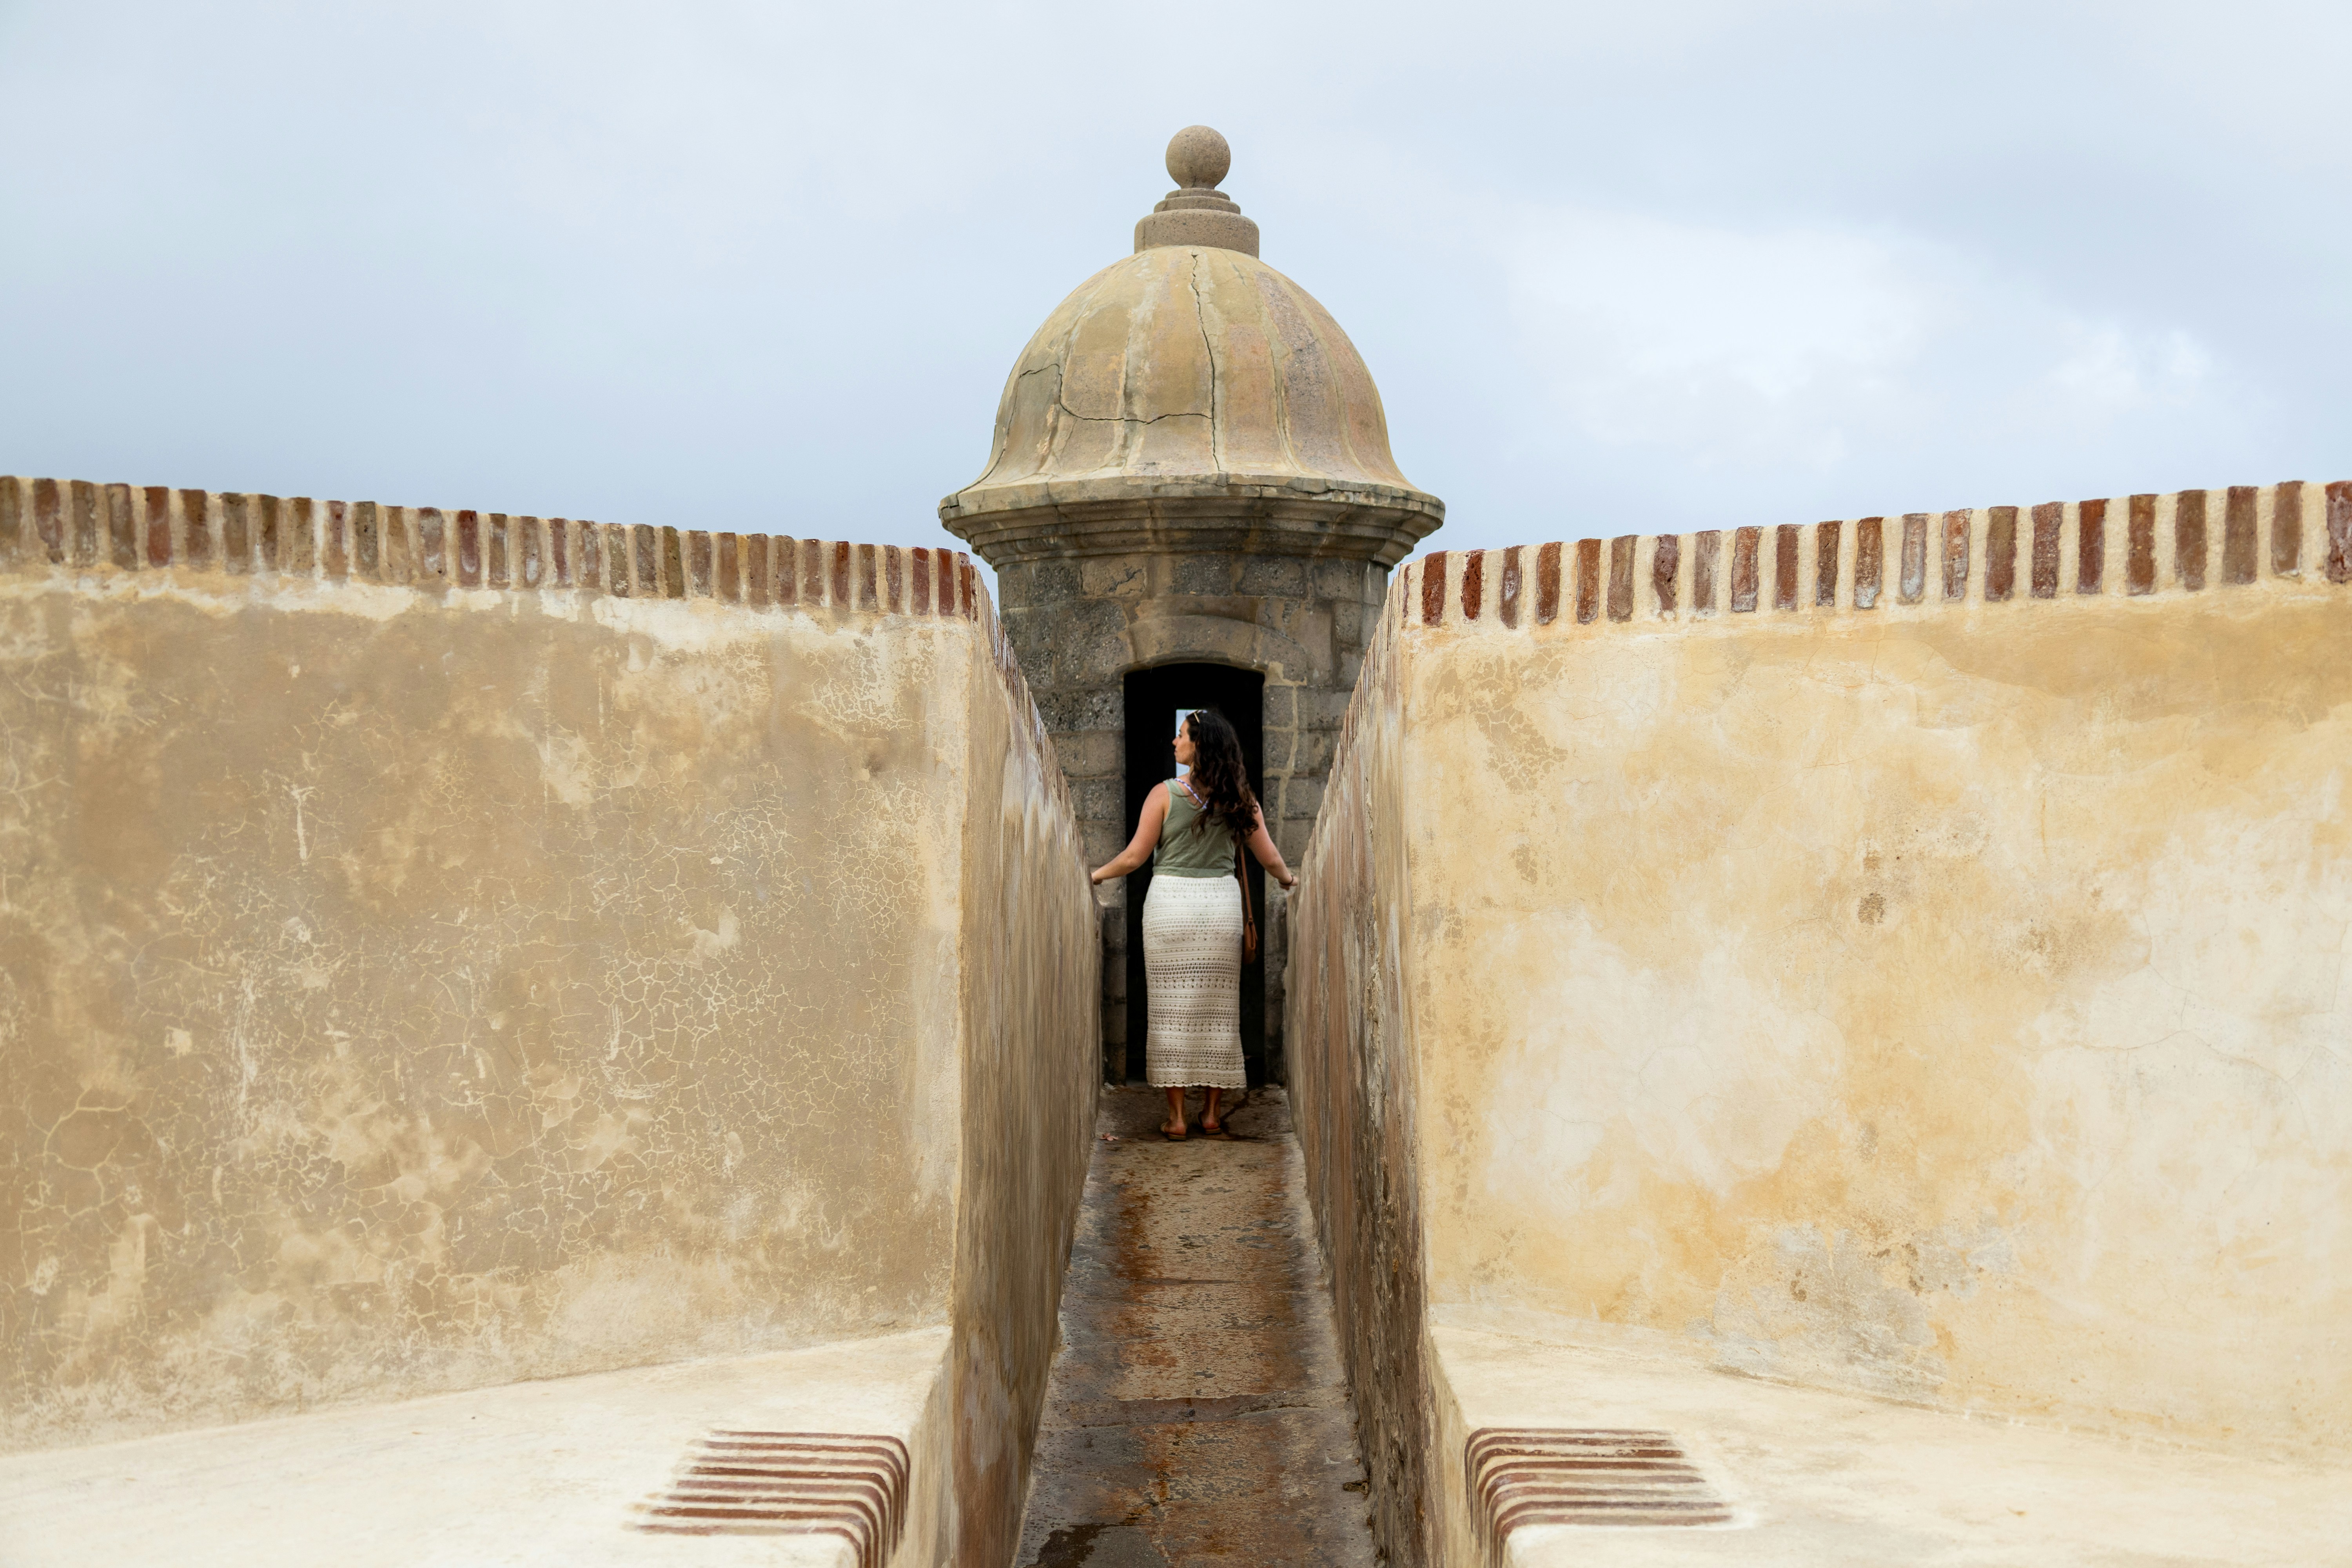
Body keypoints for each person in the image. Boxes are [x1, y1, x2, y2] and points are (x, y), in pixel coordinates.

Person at [1091, 708, 1296, 1140]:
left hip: (1170, 910)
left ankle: (1178, 1118)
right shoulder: (1240, 798)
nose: (1174, 742)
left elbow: (1134, 857)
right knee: (1220, 1013)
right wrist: (1290, 880)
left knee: (1170, 1013)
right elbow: (1271, 858)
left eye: (1181, 735)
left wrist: (1093, 875)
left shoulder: (1164, 794)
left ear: (1199, 745)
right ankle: (1211, 1114)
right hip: (1219, 910)